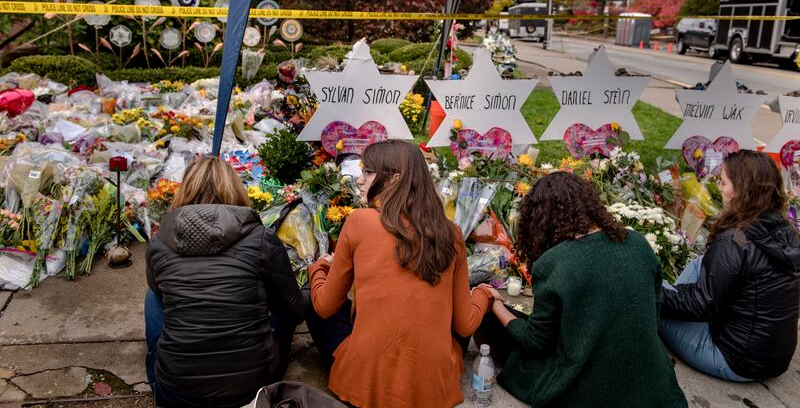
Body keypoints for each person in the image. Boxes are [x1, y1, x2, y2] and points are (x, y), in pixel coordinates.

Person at [306, 140, 493, 408]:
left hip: (365, 382)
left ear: (393, 179)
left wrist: (318, 268)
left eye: (367, 172)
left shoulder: (359, 221)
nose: (359, 181)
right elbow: (465, 325)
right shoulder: (450, 233)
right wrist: (485, 294)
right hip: (433, 387)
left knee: (312, 300)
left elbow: (324, 307)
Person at [485, 172, 687, 407]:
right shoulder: (638, 242)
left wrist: (496, 304)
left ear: (540, 220)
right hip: (655, 384)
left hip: (590, 390)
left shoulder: (554, 263)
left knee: (496, 325)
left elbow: (537, 342)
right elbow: (654, 311)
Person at [145, 156, 308, 408]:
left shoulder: (159, 243)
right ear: (235, 188)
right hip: (251, 388)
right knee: (278, 300)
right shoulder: (261, 238)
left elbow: (160, 292)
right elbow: (295, 311)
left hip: (177, 392)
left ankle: (161, 369)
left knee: (154, 296)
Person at [660, 150, 800, 381]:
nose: (719, 187)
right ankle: (671, 295)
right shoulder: (785, 230)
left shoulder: (735, 240)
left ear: (741, 190)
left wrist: (653, 290)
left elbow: (699, 306)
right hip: (773, 358)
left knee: (648, 298)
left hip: (734, 360)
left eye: (723, 182)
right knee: (699, 263)